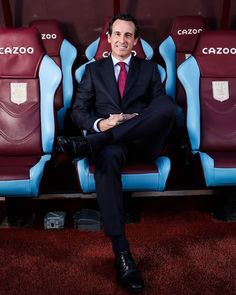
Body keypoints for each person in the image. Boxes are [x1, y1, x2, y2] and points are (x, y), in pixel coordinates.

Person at [58, 13, 177, 293]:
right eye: (118, 34)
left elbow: (161, 109)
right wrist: (101, 124)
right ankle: (122, 254)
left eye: (129, 35)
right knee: (107, 158)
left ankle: (90, 144)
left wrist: (133, 120)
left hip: (144, 143)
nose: (122, 40)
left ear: (136, 41)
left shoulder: (149, 70)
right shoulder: (93, 71)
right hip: (112, 146)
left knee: (168, 107)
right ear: (108, 38)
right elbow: (79, 112)